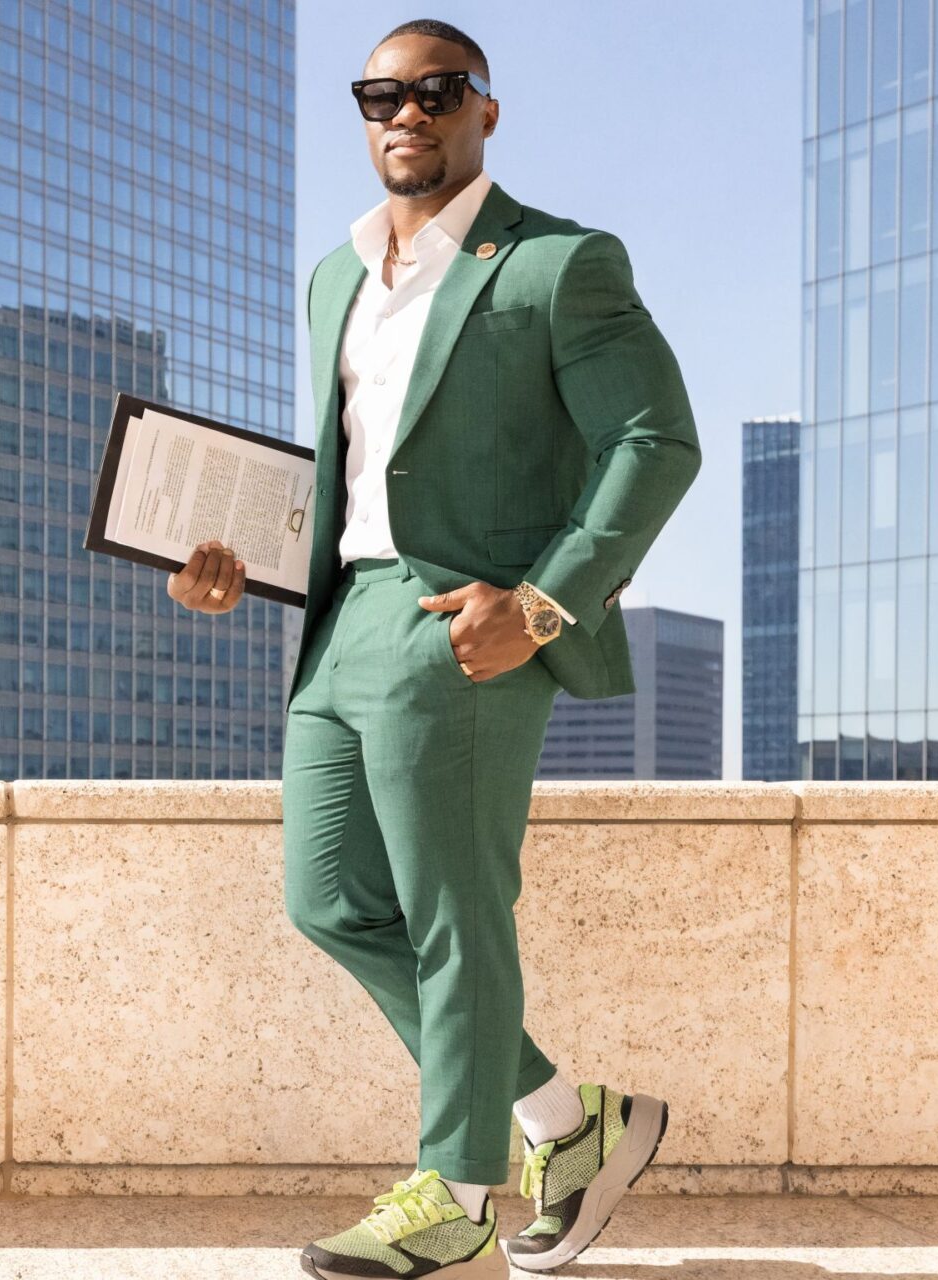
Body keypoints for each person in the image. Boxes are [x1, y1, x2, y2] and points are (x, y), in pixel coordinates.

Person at [166, 18, 700, 1279]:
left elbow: (656, 440)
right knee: (330, 895)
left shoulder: (559, 264)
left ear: (483, 112)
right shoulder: (333, 276)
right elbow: (355, 481)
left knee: (458, 914)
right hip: (338, 616)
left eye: (435, 91)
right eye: (379, 95)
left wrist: (543, 601)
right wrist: (245, 568)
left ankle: (458, 1194)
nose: (404, 113)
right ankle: (569, 1127)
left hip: (460, 622)